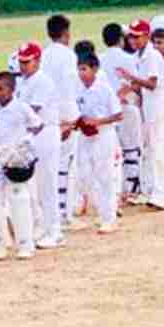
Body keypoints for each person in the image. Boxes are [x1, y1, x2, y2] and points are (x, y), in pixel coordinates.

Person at [0, 69, 42, 259]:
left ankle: (25, 244)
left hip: (16, 158)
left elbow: (38, 124)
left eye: (1, 89)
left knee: (19, 199)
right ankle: (0, 244)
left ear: (11, 89)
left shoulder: (21, 107)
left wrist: (27, 141)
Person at [14, 42, 67, 248]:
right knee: (34, 185)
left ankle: (55, 230)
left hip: (46, 133)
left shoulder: (42, 81)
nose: (23, 65)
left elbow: (33, 110)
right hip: (31, 135)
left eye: (27, 61)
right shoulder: (23, 82)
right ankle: (42, 228)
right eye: (21, 61)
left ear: (37, 61)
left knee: (47, 183)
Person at [71, 52, 123, 233]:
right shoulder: (78, 90)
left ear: (94, 69)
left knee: (105, 176)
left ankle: (110, 218)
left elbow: (118, 114)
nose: (81, 73)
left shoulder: (104, 89)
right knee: (85, 174)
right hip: (85, 136)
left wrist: (98, 122)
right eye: (79, 69)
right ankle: (100, 212)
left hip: (103, 135)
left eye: (84, 69)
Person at [41, 15, 83, 231]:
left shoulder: (44, 54)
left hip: (48, 114)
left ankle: (55, 212)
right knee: (68, 166)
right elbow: (69, 88)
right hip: (65, 111)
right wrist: (68, 120)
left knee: (52, 165)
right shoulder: (68, 55)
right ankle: (65, 214)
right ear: (66, 33)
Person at [99, 23, 145, 201]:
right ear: (120, 39)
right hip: (125, 107)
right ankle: (132, 187)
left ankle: (115, 190)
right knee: (132, 148)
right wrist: (125, 92)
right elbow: (136, 82)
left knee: (113, 152)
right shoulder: (127, 58)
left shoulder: (100, 59)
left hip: (107, 112)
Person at [130, 18, 164, 210]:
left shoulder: (153, 55)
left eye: (137, 36)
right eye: (132, 36)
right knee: (150, 150)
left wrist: (132, 79)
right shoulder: (139, 56)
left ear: (147, 36)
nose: (134, 40)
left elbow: (152, 84)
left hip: (159, 106)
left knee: (159, 151)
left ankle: (162, 194)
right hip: (149, 107)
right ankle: (150, 190)